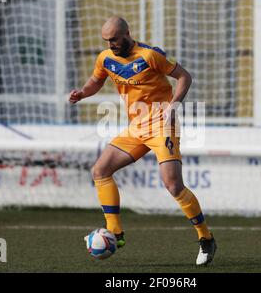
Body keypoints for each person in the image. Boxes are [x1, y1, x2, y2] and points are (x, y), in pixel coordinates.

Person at [69, 16, 216, 266]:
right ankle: (115, 232)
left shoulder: (150, 55)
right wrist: (82, 93)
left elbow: (184, 77)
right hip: (136, 127)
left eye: (114, 39)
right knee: (100, 170)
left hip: (162, 125)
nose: (110, 44)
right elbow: (96, 81)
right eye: (106, 40)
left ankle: (206, 238)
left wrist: (173, 105)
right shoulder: (105, 58)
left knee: (173, 186)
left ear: (127, 33)